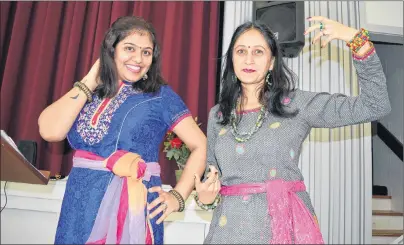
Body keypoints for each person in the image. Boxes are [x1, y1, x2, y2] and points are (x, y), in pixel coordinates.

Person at [193, 16, 391, 244]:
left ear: (271, 62)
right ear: (232, 60)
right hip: (226, 233)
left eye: (258, 51)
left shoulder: (296, 105)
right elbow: (212, 176)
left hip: (282, 231)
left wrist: (356, 40)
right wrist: (206, 197)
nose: (248, 58)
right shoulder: (218, 115)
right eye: (241, 51)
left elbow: (375, 105)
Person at [38, 16, 206, 244]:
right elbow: (50, 131)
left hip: (132, 212)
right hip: (78, 208)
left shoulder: (161, 96)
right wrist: (89, 80)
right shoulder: (90, 94)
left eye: (146, 52)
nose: (138, 58)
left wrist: (178, 196)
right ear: (111, 50)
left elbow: (200, 145)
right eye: (129, 48)